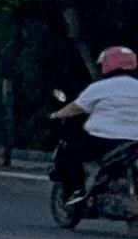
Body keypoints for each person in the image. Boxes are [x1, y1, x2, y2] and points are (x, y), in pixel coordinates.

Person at [51, 45, 138, 200]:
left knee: (69, 153)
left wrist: (56, 114)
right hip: (134, 143)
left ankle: (76, 190)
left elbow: (74, 108)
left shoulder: (101, 87)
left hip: (102, 140)